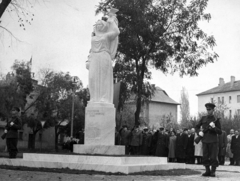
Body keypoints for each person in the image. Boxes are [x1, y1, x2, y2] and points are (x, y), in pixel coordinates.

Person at [87, 8, 120, 104]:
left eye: (101, 24)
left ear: (105, 27)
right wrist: (88, 60)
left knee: (104, 78)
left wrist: (111, 19)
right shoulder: (93, 37)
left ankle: (104, 98)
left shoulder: (106, 36)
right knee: (92, 77)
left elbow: (116, 32)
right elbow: (91, 50)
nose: (99, 25)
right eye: (98, 24)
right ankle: (93, 98)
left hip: (104, 56)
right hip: (94, 57)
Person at [196, 103, 222, 177]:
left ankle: (213, 171)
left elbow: (220, 132)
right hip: (205, 140)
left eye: (210, 110)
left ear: (213, 110)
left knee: (213, 157)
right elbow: (196, 126)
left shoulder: (216, 120)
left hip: (213, 141)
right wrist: (199, 132)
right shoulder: (203, 118)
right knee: (205, 156)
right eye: (207, 110)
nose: (208, 111)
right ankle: (207, 171)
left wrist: (214, 128)